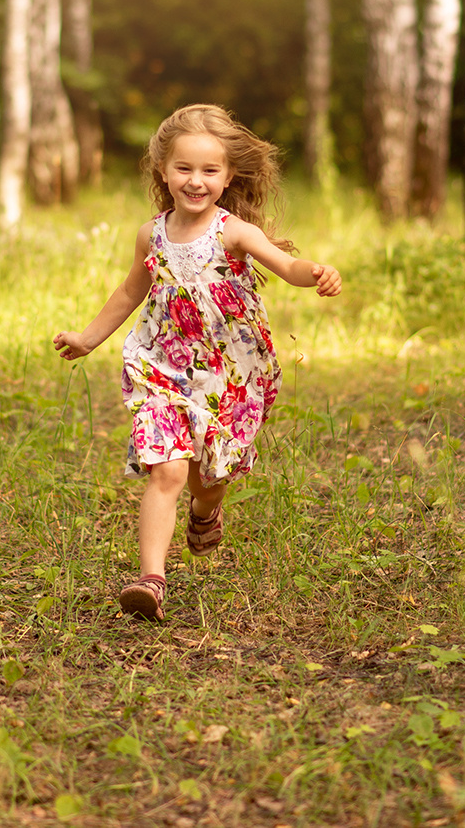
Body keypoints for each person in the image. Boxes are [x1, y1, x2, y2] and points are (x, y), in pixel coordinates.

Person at [52, 104, 342, 620]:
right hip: (162, 364)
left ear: (228, 176)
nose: (196, 180)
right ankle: (151, 580)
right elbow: (129, 291)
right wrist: (89, 338)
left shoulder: (234, 232)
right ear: (163, 171)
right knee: (167, 470)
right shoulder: (151, 234)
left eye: (210, 171)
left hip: (229, 372)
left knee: (208, 479)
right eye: (184, 168)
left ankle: (206, 513)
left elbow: (286, 264)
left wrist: (316, 271)